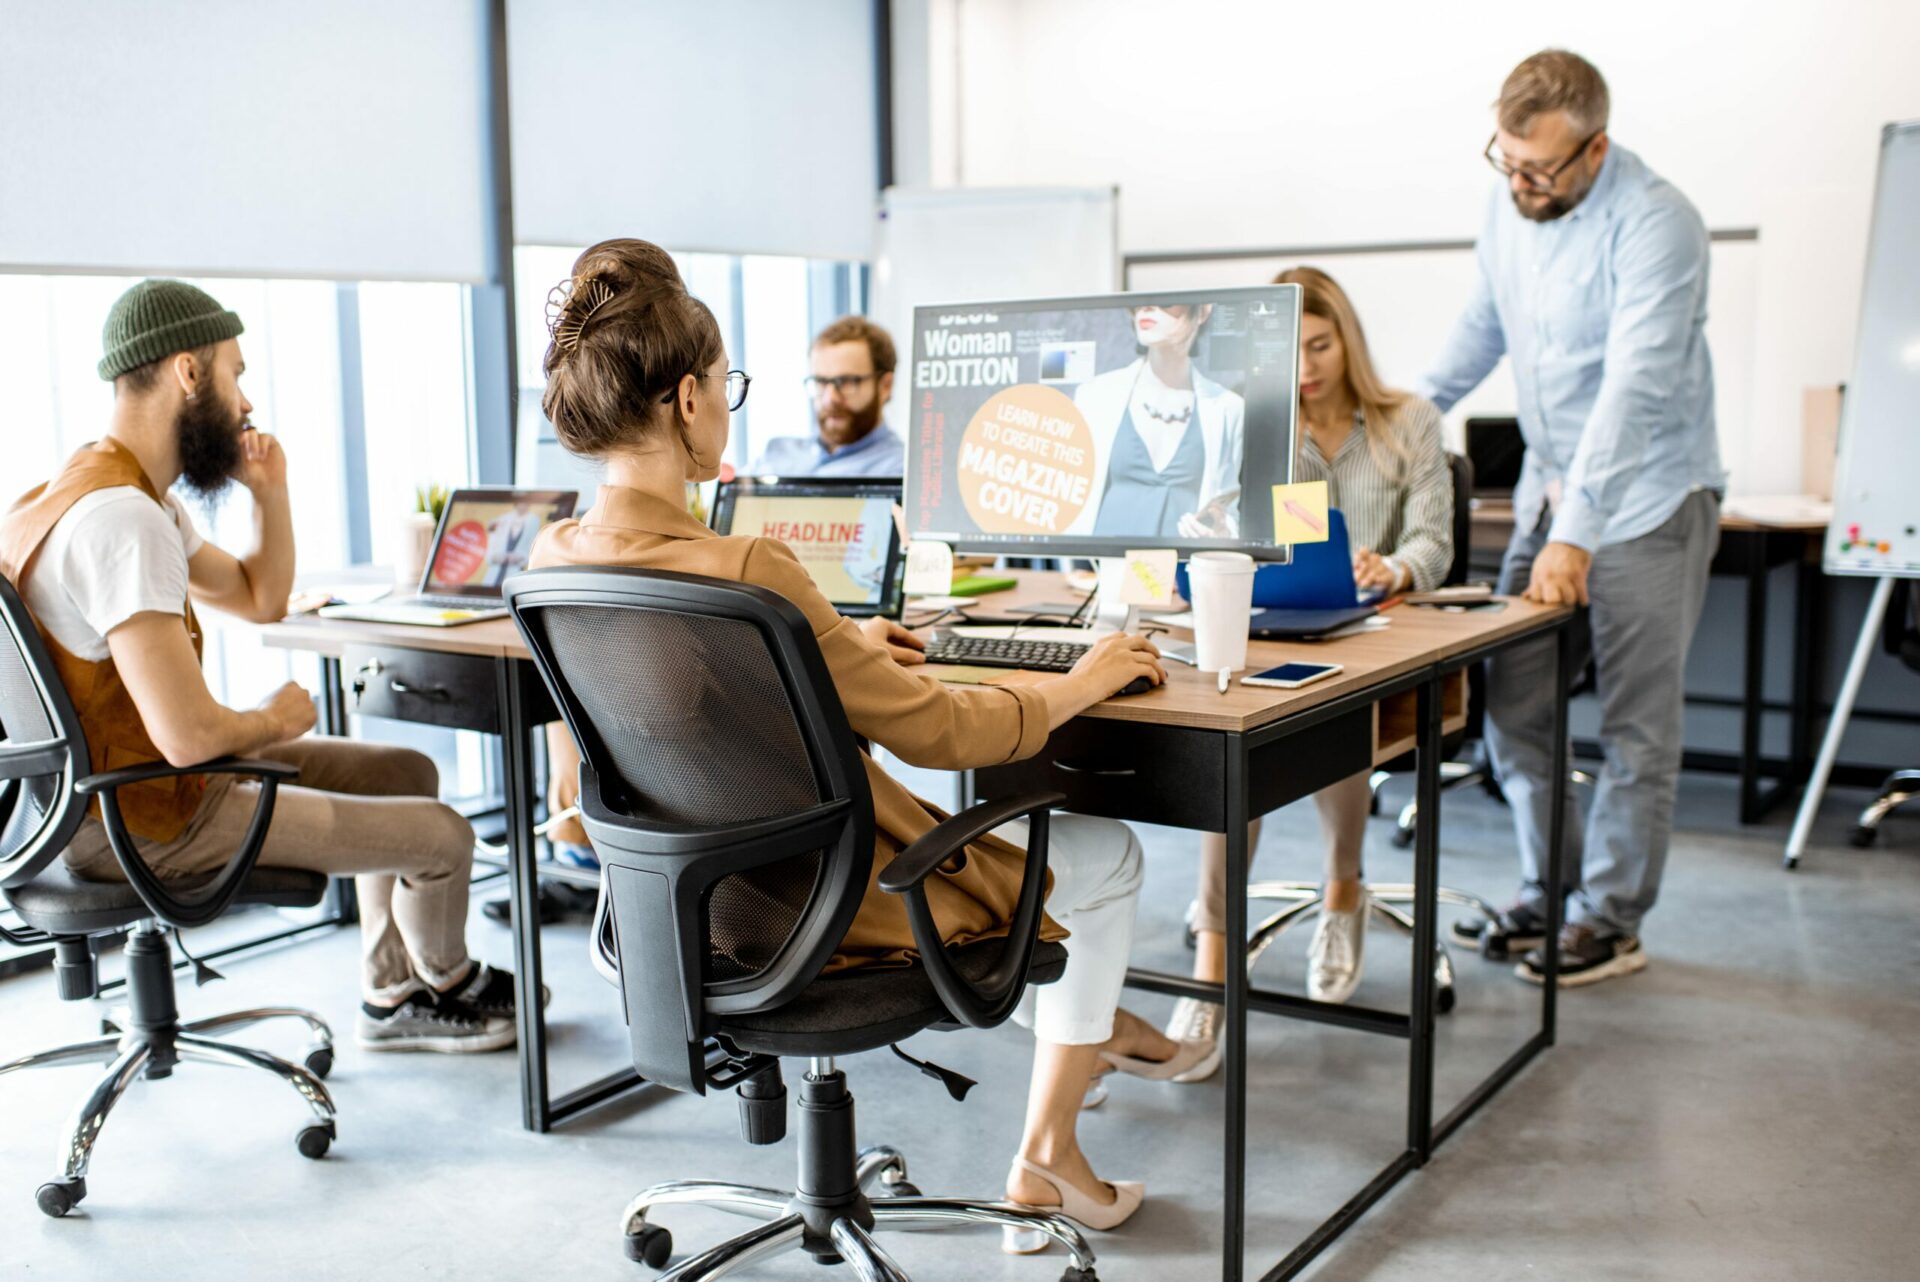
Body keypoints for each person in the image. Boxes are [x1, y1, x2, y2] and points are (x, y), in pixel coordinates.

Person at [533, 239, 1209, 1244]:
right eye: (731, 387)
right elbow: (937, 729)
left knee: (1056, 875)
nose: (732, 405)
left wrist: (831, 657)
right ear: (685, 401)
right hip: (827, 909)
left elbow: (696, 715)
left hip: (684, 915)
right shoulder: (749, 566)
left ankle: (1098, 1032)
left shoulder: (559, 556)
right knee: (1109, 856)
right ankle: (1053, 1151)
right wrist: (1079, 681)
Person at [0, 279, 520, 1053]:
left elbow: (258, 596)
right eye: (236, 372)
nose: (246, 401)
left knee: (405, 771)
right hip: (148, 819)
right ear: (188, 372)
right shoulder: (125, 523)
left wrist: (270, 494)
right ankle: (448, 983)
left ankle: (390, 988)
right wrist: (274, 719)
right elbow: (185, 734)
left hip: (99, 803)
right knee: (445, 836)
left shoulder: (102, 494)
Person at [1421, 50, 1724, 986]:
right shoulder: (1509, 205)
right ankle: (1547, 893)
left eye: (1540, 169)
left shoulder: (1656, 223)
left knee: (1637, 728)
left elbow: (1633, 391)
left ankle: (1610, 917)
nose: (1519, 183)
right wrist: (1403, 412)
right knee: (1513, 705)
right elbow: (1484, 321)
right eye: (1506, 161)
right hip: (1558, 494)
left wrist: (1576, 533)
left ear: (1595, 149)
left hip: (1647, 500)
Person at [1165, 268, 1454, 1076]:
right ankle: (1212, 973)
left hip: (1379, 636)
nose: (1305, 368)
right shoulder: (1259, 427)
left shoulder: (1409, 423)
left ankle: (1342, 893)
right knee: (1235, 752)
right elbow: (1218, 527)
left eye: (1320, 345)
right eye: (1287, 352)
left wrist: (1391, 568)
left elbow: (1435, 544)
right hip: (1279, 621)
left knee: (1335, 726)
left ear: (1347, 338)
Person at [1068, 304, 1245, 539]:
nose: (1147, 308)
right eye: (1139, 300)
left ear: (1202, 311)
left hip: (1181, 567)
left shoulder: (1227, 407)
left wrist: (1221, 532)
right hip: (1107, 564)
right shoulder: (1096, 396)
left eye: (1167, 300)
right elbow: (1070, 496)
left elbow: (1228, 509)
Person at [748, 315, 905, 477]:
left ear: (885, 386)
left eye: (846, 381)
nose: (830, 399)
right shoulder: (777, 454)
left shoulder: (902, 472)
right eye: (821, 381)